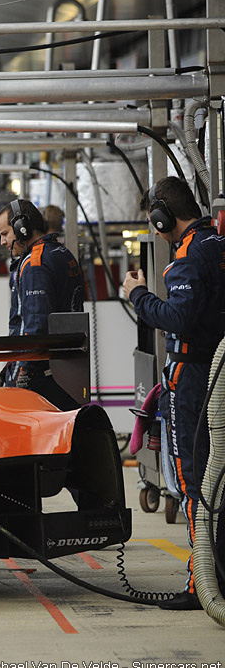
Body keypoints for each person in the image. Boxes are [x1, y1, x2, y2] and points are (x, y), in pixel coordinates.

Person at [122, 176, 225, 611]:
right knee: (215, 480)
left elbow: (177, 318)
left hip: (192, 378)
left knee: (191, 480)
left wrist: (138, 295)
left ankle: (200, 583)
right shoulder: (216, 245)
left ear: (164, 217)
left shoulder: (187, 256)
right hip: (215, 371)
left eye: (154, 222)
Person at [0, 199, 85, 410]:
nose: (2, 242)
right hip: (68, 371)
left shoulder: (35, 263)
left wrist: (19, 375)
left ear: (22, 228)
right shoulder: (62, 253)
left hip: (42, 376)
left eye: (5, 233)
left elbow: (35, 328)